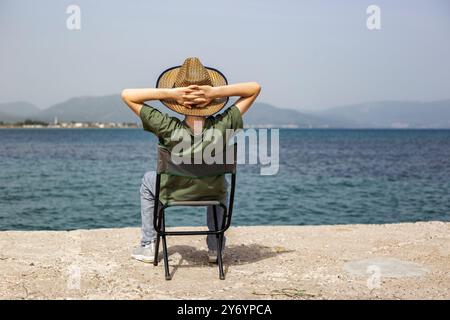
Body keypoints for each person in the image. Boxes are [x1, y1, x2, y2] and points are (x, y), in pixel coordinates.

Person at [121, 57, 261, 263]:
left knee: (148, 180)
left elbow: (127, 95)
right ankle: (215, 248)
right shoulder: (224, 124)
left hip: (172, 191)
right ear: (212, 102)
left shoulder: (165, 126)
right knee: (219, 181)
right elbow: (254, 88)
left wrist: (170, 93)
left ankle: (149, 244)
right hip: (212, 192)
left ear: (178, 102)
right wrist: (213, 92)